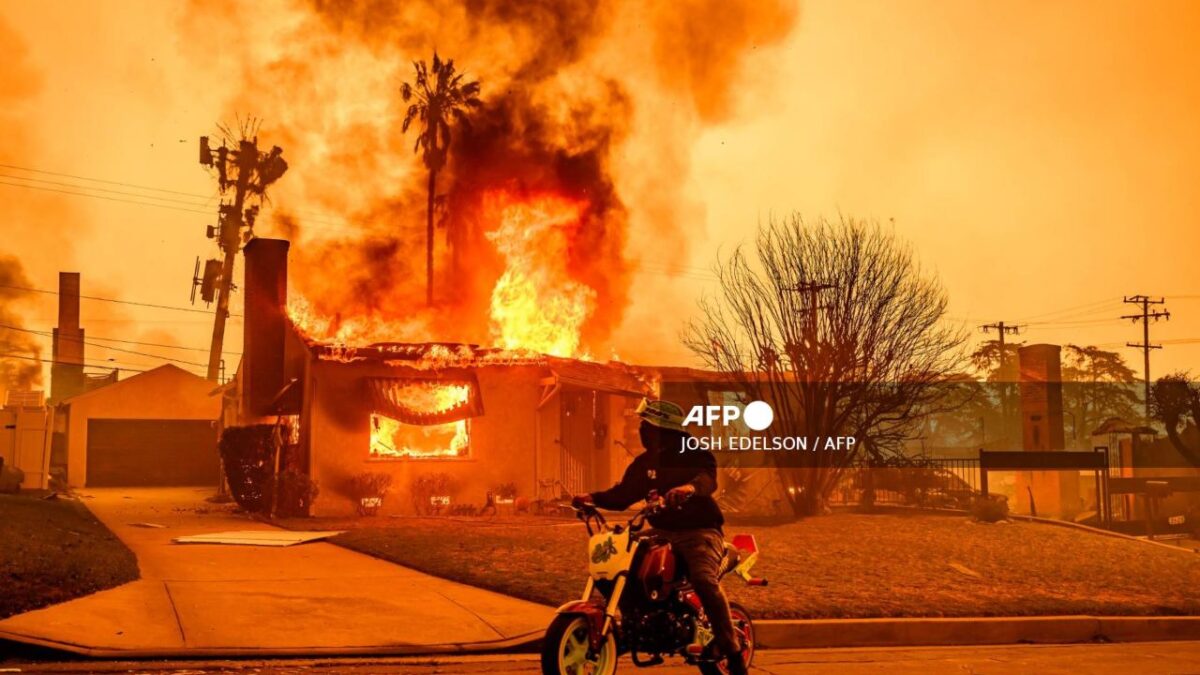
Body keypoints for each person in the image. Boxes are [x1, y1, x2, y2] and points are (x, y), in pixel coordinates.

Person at [574, 398, 747, 675]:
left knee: (704, 580)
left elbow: (708, 480)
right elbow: (623, 494)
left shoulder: (693, 453)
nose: (642, 430)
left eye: (648, 425)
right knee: (623, 563)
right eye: (642, 425)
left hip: (699, 531)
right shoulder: (644, 464)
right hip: (661, 531)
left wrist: (689, 488)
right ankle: (639, 623)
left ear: (665, 429)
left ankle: (733, 652)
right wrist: (591, 498)